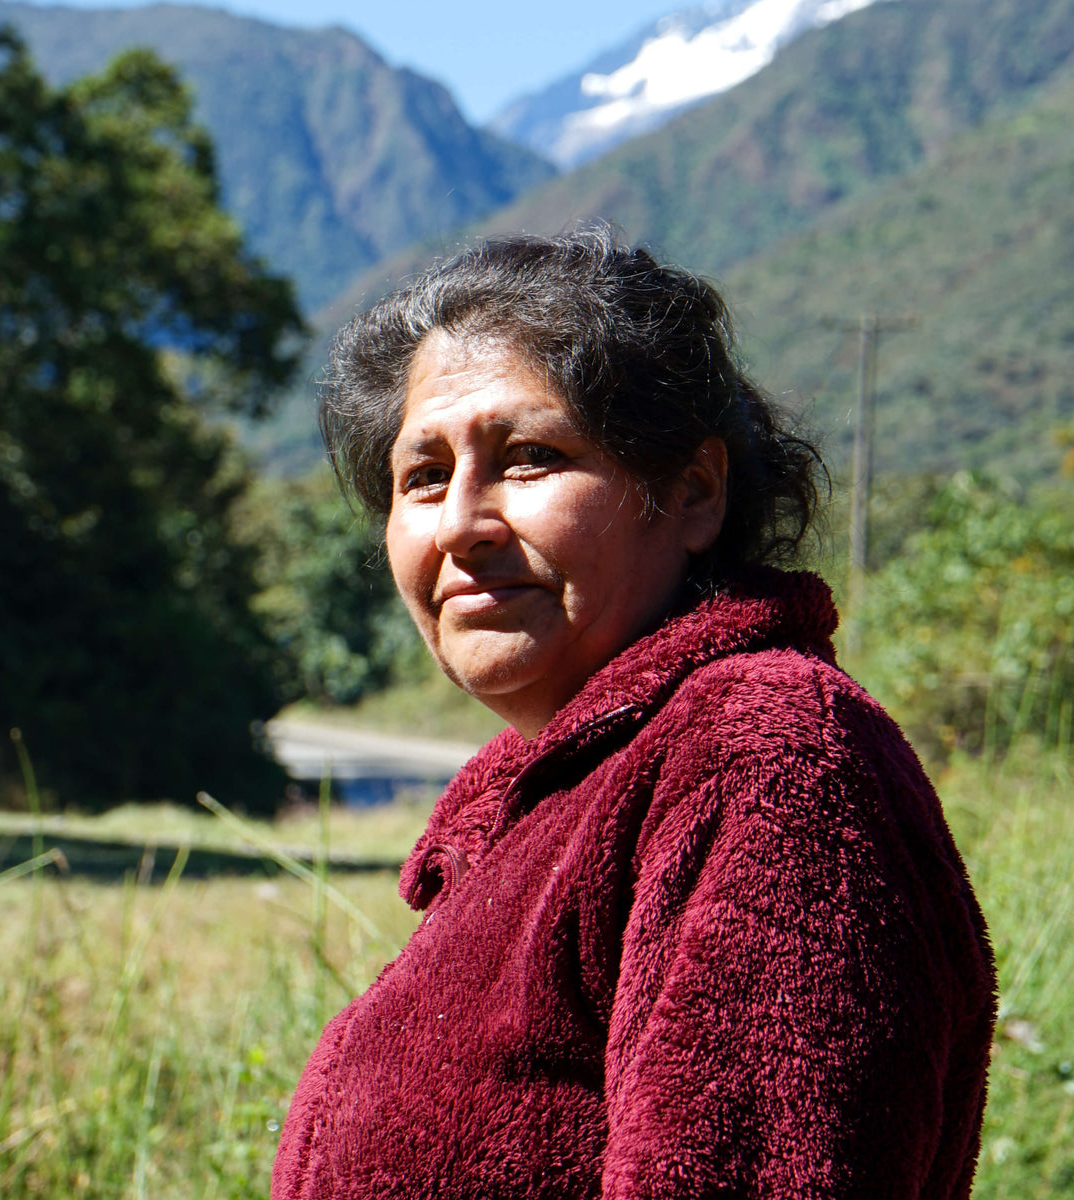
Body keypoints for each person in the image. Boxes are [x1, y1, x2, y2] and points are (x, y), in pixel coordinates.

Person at [271, 228, 996, 1200]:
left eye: (530, 457)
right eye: (423, 475)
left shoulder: (761, 760)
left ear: (692, 493)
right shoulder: (564, 795)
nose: (459, 523)